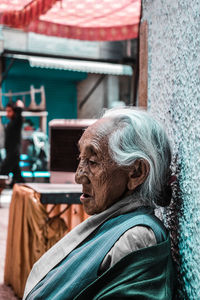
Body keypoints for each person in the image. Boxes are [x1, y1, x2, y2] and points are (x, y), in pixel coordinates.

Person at [23, 108, 176, 300]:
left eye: (93, 161)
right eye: (81, 158)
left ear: (136, 172)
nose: (79, 177)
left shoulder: (137, 239)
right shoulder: (113, 223)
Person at [0, 99, 24, 185]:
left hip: (13, 153)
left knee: (2, 173)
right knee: (18, 177)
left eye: (9, 111)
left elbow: (19, 113)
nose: (7, 113)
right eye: (6, 111)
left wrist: (19, 106)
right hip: (11, 152)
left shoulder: (17, 121)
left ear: (14, 111)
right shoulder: (12, 122)